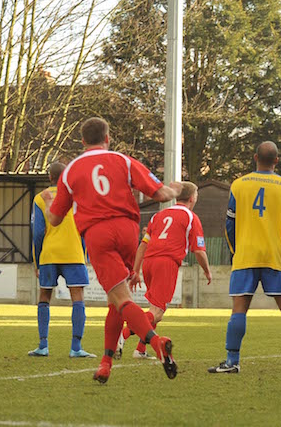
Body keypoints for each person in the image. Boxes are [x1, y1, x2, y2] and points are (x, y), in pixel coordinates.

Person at [44, 117, 182, 383]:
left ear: (82, 142)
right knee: (115, 302)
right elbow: (161, 194)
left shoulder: (71, 170)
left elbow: (55, 219)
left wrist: (50, 202)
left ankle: (156, 342)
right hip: (128, 230)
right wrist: (176, 188)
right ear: (108, 138)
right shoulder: (123, 160)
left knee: (120, 298)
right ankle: (106, 363)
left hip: (98, 233)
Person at [208, 141, 281, 374]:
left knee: (239, 309)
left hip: (246, 256)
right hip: (275, 256)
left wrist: (234, 251)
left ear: (254, 157)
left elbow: (230, 223)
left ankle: (232, 361)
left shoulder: (238, 186)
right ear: (277, 161)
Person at [116, 181, 212, 359]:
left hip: (149, 262)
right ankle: (121, 335)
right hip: (166, 263)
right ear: (192, 198)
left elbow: (143, 246)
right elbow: (198, 250)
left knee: (157, 311)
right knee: (156, 312)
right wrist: (207, 270)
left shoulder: (158, 216)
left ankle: (141, 350)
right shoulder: (191, 217)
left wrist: (136, 271)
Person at [28, 162, 95, 359]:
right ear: (67, 176)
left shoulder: (40, 198)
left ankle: (43, 346)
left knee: (44, 297)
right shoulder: (77, 197)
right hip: (73, 253)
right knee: (78, 298)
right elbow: (84, 228)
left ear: (49, 177)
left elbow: (38, 232)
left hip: (49, 253)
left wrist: (37, 261)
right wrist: (84, 254)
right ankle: (76, 347)